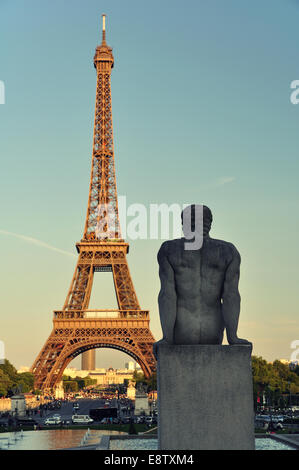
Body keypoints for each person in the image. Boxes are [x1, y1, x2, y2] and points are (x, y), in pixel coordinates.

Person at [154, 204, 251, 357]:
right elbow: (231, 296)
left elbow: (167, 295)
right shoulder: (229, 252)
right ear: (210, 223)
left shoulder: (169, 250)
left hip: (182, 330)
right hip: (213, 331)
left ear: (184, 223)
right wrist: (233, 337)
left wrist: (167, 338)